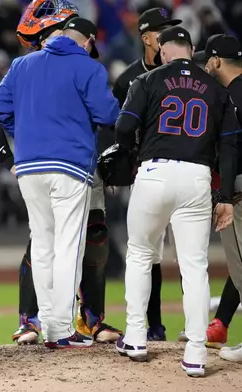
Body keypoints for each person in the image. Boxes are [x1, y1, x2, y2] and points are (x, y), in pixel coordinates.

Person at [0, 0, 122, 346]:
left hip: (29, 166)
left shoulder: (21, 65)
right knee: (69, 246)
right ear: (85, 41)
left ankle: (45, 323)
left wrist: (29, 130)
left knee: (42, 244)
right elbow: (108, 115)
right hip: (69, 166)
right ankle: (61, 329)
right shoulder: (87, 67)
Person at [114, 26, 237, 377]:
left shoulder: (147, 81)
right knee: (194, 266)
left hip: (155, 172)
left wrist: (135, 151)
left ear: (164, 51)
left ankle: (136, 337)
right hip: (197, 178)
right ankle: (197, 354)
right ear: (192, 50)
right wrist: (224, 195)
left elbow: (123, 127)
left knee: (139, 253)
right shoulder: (216, 89)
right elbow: (229, 147)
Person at [112, 7, 183, 342]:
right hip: (146, 173)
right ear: (146, 37)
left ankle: (191, 329)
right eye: (161, 30)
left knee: (186, 255)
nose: (167, 34)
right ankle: (151, 325)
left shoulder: (186, 74)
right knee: (147, 251)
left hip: (186, 171)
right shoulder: (128, 79)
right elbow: (118, 129)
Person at [193, 33, 242, 362]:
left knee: (240, 267)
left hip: (238, 187)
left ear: (216, 61)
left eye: (207, 58)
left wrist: (227, 191)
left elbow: (231, 148)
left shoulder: (229, 97)